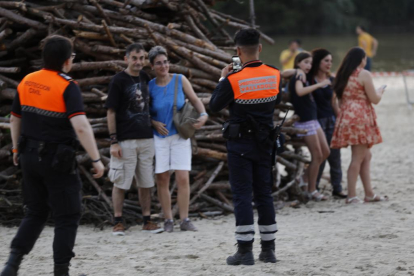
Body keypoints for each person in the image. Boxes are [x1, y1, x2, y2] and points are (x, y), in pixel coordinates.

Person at [1, 35, 104, 276]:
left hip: (28, 156)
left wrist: (16, 149)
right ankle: (61, 271)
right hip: (56, 160)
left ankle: (11, 265)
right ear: (67, 61)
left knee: (36, 211)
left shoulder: (27, 81)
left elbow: (15, 118)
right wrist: (97, 159)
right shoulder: (67, 86)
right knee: (68, 215)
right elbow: (80, 126)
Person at [210, 28, 281, 266]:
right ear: (260, 47)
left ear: (238, 51)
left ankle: (244, 251)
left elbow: (214, 106)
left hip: (240, 143)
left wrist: (223, 78)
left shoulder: (233, 79)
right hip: (265, 144)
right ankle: (269, 250)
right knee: (264, 194)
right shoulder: (274, 74)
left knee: (242, 194)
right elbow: (276, 101)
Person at [148, 46, 208, 232]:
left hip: (180, 136)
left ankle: (185, 220)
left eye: (165, 62)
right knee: (163, 178)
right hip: (159, 137)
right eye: (158, 63)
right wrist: (153, 123)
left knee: (183, 178)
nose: (163, 66)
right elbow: (143, 111)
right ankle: (168, 220)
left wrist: (204, 114)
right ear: (152, 66)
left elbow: (196, 100)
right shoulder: (149, 86)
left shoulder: (180, 79)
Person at [105, 43, 163, 236]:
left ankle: (147, 220)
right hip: (125, 140)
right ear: (126, 59)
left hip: (146, 138)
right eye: (134, 58)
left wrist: (153, 123)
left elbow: (149, 107)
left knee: (146, 181)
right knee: (121, 181)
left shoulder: (146, 78)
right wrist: (114, 141)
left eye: (141, 58)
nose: (138, 62)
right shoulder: (118, 81)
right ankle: (118, 221)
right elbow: (111, 111)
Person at [331, 47, 388, 204]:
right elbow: (374, 99)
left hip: (347, 116)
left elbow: (340, 101)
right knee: (357, 158)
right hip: (360, 117)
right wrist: (381, 90)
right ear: (361, 59)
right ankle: (351, 196)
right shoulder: (364, 74)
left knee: (366, 155)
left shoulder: (343, 75)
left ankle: (369, 193)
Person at [309, 48, 346, 198]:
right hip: (315, 122)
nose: (329, 64)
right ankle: (314, 187)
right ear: (318, 62)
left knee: (335, 157)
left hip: (331, 120)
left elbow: (334, 103)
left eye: (331, 61)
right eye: (326, 61)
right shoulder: (309, 80)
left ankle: (337, 188)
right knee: (319, 156)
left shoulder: (332, 80)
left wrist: (340, 121)